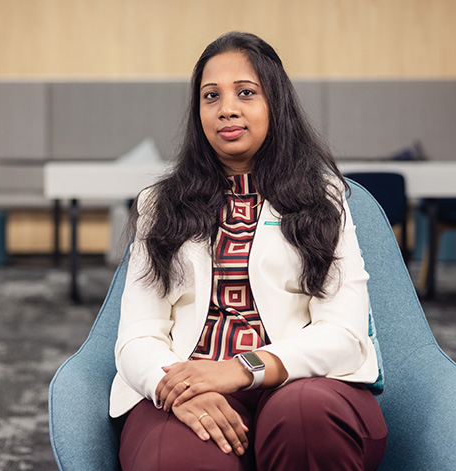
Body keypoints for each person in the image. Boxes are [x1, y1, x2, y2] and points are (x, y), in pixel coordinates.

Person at [110, 31, 387, 471]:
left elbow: (345, 334)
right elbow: (137, 336)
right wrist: (180, 389)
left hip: (302, 383)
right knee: (174, 455)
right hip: (191, 383)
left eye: (245, 92)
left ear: (275, 103)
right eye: (211, 96)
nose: (227, 109)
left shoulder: (324, 198)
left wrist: (243, 368)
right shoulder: (159, 205)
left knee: (303, 416)